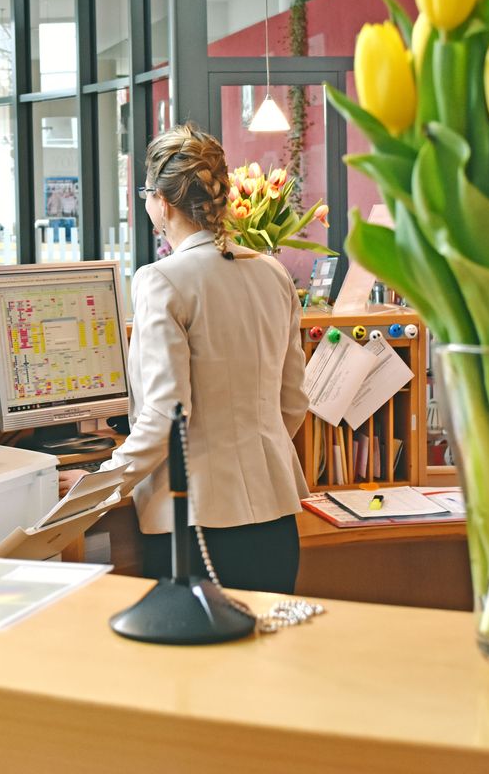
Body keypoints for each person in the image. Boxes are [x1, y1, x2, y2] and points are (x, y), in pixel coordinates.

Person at [60, 124, 310, 595]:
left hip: (196, 529)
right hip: (276, 522)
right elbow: (293, 402)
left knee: (198, 668)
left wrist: (96, 483)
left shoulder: (162, 281)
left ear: (161, 201)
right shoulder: (274, 273)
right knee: (267, 664)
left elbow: (163, 419)